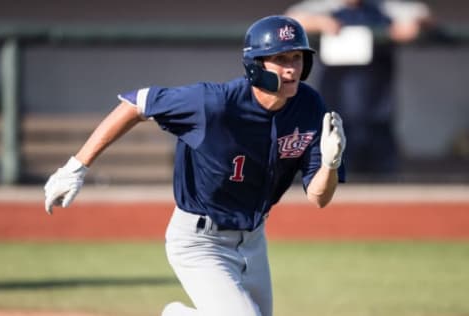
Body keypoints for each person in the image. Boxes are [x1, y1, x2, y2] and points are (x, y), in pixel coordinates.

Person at [43, 15, 346, 316]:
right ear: (256, 65)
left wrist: (331, 163)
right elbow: (138, 104)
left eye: (297, 57)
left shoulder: (309, 106)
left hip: (254, 240)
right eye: (280, 58)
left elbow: (318, 198)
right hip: (200, 240)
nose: (291, 68)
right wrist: (76, 166)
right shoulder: (213, 103)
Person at [285, 0, 434, 177]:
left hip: (378, 116)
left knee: (384, 182)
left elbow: (423, 15)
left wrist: (413, 24)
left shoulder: (383, 7)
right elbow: (288, 21)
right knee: (333, 178)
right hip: (335, 117)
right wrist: (319, 22)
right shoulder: (325, 7)